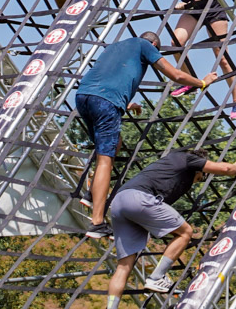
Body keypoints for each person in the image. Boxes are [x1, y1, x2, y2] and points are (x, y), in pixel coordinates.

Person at [74, 32, 218, 238]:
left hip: (84, 97)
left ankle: (92, 193)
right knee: (105, 160)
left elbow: (110, 76)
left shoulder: (115, 46)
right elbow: (175, 75)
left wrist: (126, 103)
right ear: (154, 44)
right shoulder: (145, 45)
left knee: (114, 143)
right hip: (105, 102)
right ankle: (97, 222)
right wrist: (202, 83)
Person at [104, 149, 236, 300]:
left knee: (124, 266)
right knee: (185, 232)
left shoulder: (170, 165)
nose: (197, 181)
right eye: (201, 177)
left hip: (119, 201)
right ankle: (156, 277)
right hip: (139, 199)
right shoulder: (188, 159)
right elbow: (226, 169)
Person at [160, 0, 236, 120]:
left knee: (222, 58)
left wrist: (188, 4)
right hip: (193, 11)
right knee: (176, 42)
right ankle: (190, 81)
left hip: (212, 10)